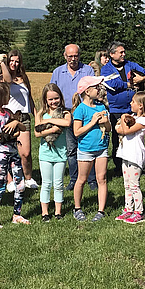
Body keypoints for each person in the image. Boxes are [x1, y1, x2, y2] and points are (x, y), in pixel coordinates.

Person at [100, 41, 145, 175]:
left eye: (124, 52)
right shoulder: (106, 69)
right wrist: (128, 85)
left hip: (133, 109)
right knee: (118, 138)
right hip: (116, 109)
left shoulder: (131, 65)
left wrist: (142, 79)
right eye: (121, 52)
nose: (124, 54)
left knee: (136, 137)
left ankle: (138, 164)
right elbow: (112, 83)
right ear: (112, 54)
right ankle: (119, 167)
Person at [50, 44, 95, 190]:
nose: (73, 59)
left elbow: (93, 90)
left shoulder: (87, 70)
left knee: (88, 147)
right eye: (70, 56)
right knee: (71, 148)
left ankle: (92, 179)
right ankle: (74, 179)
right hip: (66, 113)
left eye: (76, 56)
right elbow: (51, 92)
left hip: (85, 112)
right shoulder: (58, 72)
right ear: (65, 56)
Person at [0, 82, 29, 229]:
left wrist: (16, 121)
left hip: (13, 153)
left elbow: (22, 127)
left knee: (20, 184)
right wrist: (15, 133)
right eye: (7, 94)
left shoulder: (8, 112)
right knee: (0, 186)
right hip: (0, 154)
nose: (9, 96)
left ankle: (17, 214)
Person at [72, 75, 112, 222]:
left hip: (101, 148)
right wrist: (93, 122)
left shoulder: (101, 106)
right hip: (86, 149)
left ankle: (100, 211)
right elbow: (77, 132)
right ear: (87, 91)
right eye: (96, 87)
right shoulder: (80, 110)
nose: (99, 89)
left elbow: (108, 129)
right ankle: (77, 208)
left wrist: (106, 122)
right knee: (81, 179)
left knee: (102, 179)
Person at [34, 83, 71, 222]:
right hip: (45, 154)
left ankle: (58, 212)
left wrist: (48, 121)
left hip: (60, 153)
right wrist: (53, 129)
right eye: (50, 99)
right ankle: (45, 213)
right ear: (45, 100)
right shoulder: (40, 113)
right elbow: (37, 132)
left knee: (59, 183)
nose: (54, 101)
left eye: (56, 98)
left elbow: (67, 123)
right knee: (46, 183)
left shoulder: (65, 113)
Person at [0, 49, 37, 188]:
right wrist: (2, 64)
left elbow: (29, 98)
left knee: (25, 152)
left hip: (24, 117)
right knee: (9, 150)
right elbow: (8, 80)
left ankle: (28, 178)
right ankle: (10, 180)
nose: (14, 64)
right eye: (11, 61)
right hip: (8, 117)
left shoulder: (24, 78)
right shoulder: (2, 78)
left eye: (17, 61)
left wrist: (36, 114)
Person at [114, 91, 145, 224]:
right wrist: (124, 121)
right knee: (126, 184)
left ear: (140, 106)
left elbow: (125, 131)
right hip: (126, 154)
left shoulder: (143, 120)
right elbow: (118, 129)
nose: (130, 104)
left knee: (134, 184)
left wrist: (124, 117)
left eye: (133, 102)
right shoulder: (133, 118)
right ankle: (128, 208)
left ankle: (139, 211)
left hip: (135, 155)